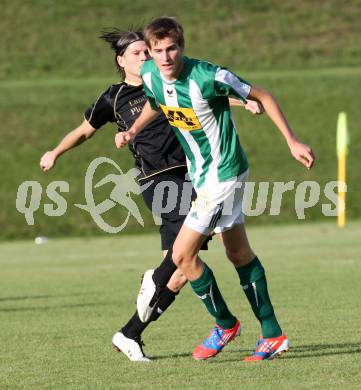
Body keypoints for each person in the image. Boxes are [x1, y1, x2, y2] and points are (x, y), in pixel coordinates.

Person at [39, 29, 263, 362]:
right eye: (137, 54)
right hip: (158, 181)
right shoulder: (113, 98)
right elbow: (85, 130)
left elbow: (206, 96)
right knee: (180, 259)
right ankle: (177, 296)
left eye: (148, 52)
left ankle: (130, 333)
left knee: (181, 271)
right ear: (121, 61)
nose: (145, 58)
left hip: (192, 176)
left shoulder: (165, 81)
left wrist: (242, 100)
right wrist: (55, 152)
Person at [115, 17, 315, 361]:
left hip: (223, 175)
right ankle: (272, 334)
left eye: (171, 48)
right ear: (150, 51)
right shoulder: (149, 74)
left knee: (181, 255)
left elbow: (263, 95)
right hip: (207, 174)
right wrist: (133, 131)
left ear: (182, 46)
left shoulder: (209, 76)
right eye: (157, 50)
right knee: (237, 254)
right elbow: (155, 100)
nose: (165, 57)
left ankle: (224, 323)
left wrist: (292, 141)